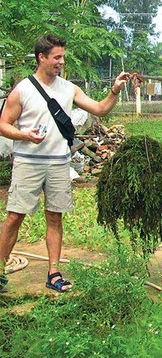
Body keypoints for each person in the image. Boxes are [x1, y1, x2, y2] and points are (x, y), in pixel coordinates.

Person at [0, 34, 130, 293]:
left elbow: (100, 109)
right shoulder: (23, 89)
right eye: (57, 57)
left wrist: (114, 90)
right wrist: (25, 135)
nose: (61, 62)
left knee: (55, 216)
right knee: (15, 216)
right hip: (29, 161)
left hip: (59, 162)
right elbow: (3, 124)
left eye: (62, 57)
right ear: (42, 57)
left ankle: (54, 272)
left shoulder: (69, 88)